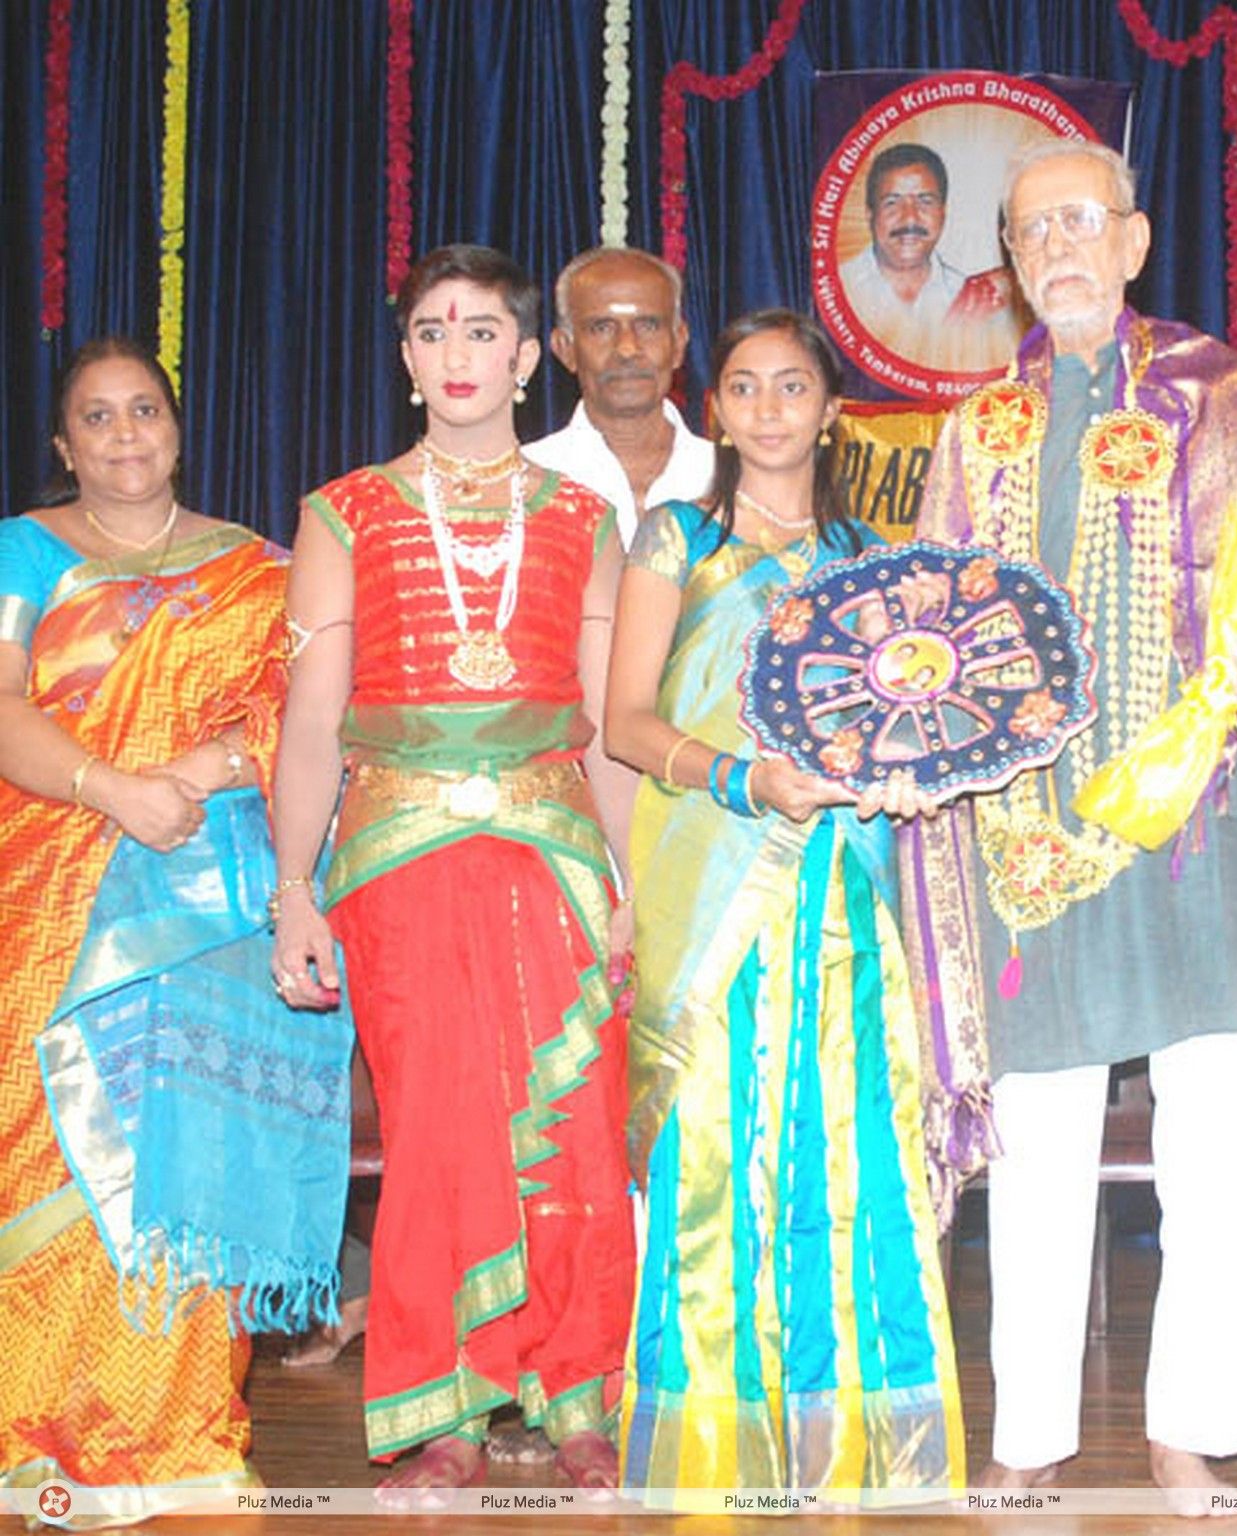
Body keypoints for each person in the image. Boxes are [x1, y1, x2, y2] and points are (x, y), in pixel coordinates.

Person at [901, 140, 1237, 1508]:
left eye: (1080, 225)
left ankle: (1190, 1428)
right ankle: (1029, 1434)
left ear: (1136, 240)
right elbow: (932, 625)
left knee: (1210, 1133)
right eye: (1031, 239)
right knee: (1040, 1134)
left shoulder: (1221, 393)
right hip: (1032, 827)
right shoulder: (979, 431)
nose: (1058, 254)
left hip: (1202, 810)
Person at [270, 245, 639, 1504]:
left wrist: (630, 880)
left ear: (532, 359)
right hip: (397, 853)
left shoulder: (587, 519)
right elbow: (313, 718)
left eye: (483, 332)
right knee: (437, 1127)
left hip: (551, 847)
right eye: (432, 332)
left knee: (574, 1125)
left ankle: (576, 1393)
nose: (457, 355)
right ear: (407, 356)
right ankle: (446, 1408)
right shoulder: (344, 510)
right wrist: (290, 888)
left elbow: (602, 718)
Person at [607, 308, 965, 1501]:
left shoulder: (875, 555)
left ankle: (854, 1447)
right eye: (745, 387)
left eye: (791, 386)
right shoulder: (677, 540)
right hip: (716, 883)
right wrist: (740, 777)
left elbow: (909, 720)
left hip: (848, 893)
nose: (767, 408)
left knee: (851, 1151)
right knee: (715, 1155)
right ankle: (715, 1451)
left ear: (828, 409)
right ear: (716, 410)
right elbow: (625, 724)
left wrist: (900, 775)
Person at [0, 337, 351, 1522]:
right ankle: (27, 1424)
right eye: (96, 419)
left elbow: (309, 715)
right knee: (41, 1146)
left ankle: (177, 1427)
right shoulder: (23, 551)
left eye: (143, 409)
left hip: (204, 902)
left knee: (187, 1146)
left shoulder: (259, 568)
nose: (125, 435)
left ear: (177, 423)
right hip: (46, 887)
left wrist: (201, 768)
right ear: (64, 446)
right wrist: (112, 787)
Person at [525, 246, 714, 550]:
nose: (627, 349)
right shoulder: (525, 479)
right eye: (601, 328)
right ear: (565, 348)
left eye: (648, 325)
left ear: (679, 344)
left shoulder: (730, 477)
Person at [839, 142, 1015, 368]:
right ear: (869, 214)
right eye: (892, 203)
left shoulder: (972, 299)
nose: (910, 218)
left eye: (925, 201)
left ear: (943, 212)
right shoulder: (840, 288)